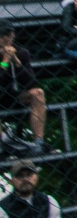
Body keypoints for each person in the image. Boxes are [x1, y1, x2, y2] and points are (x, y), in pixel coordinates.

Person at [0, 25, 47, 153]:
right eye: (2, 37)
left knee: (38, 93)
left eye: (9, 36)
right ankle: (2, 143)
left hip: (11, 96)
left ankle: (38, 142)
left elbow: (31, 83)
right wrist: (4, 62)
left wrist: (17, 63)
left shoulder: (21, 52)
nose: (6, 40)